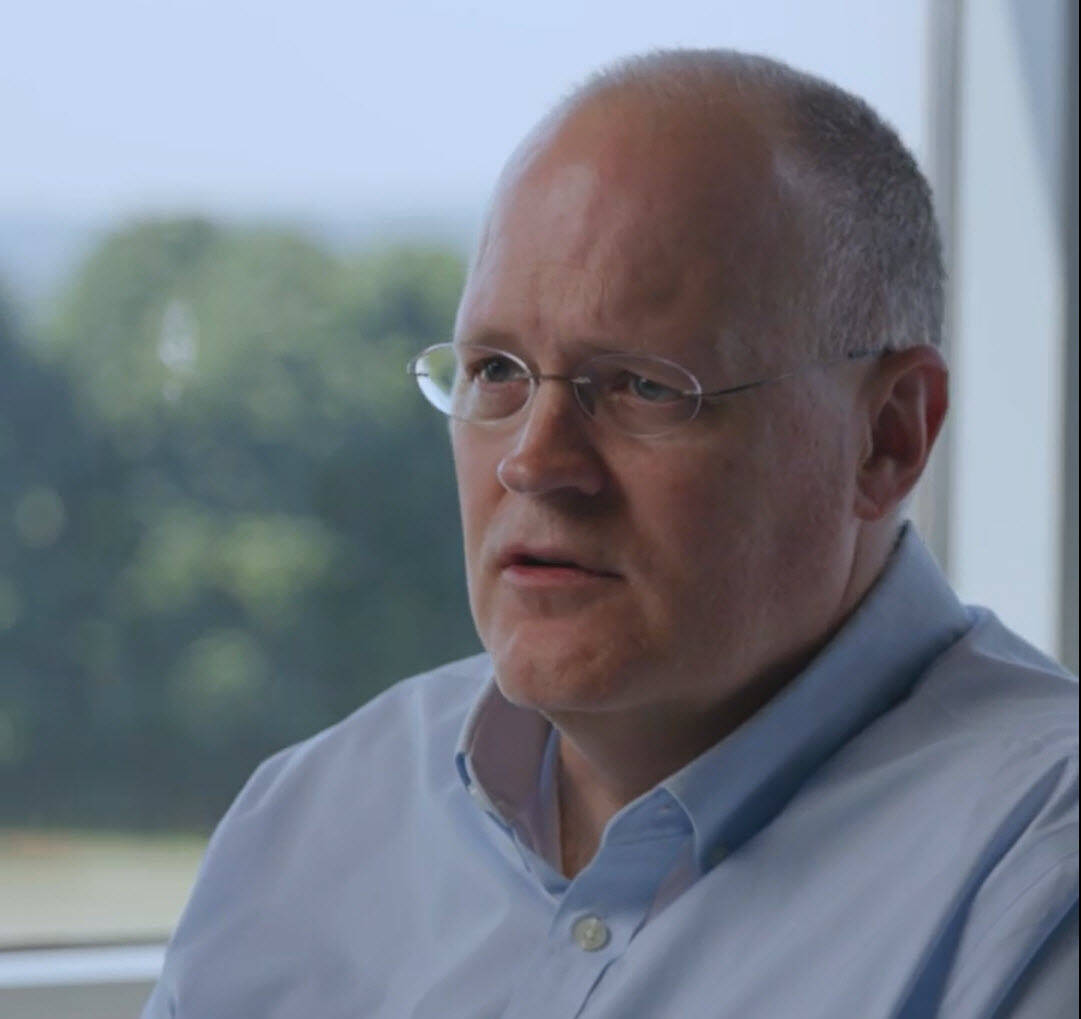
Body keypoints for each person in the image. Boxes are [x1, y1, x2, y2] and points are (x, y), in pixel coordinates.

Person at [143, 49, 1077, 1018]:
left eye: (642, 385)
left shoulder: (1037, 878)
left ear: (887, 436)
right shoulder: (305, 821)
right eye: (495, 370)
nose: (534, 461)